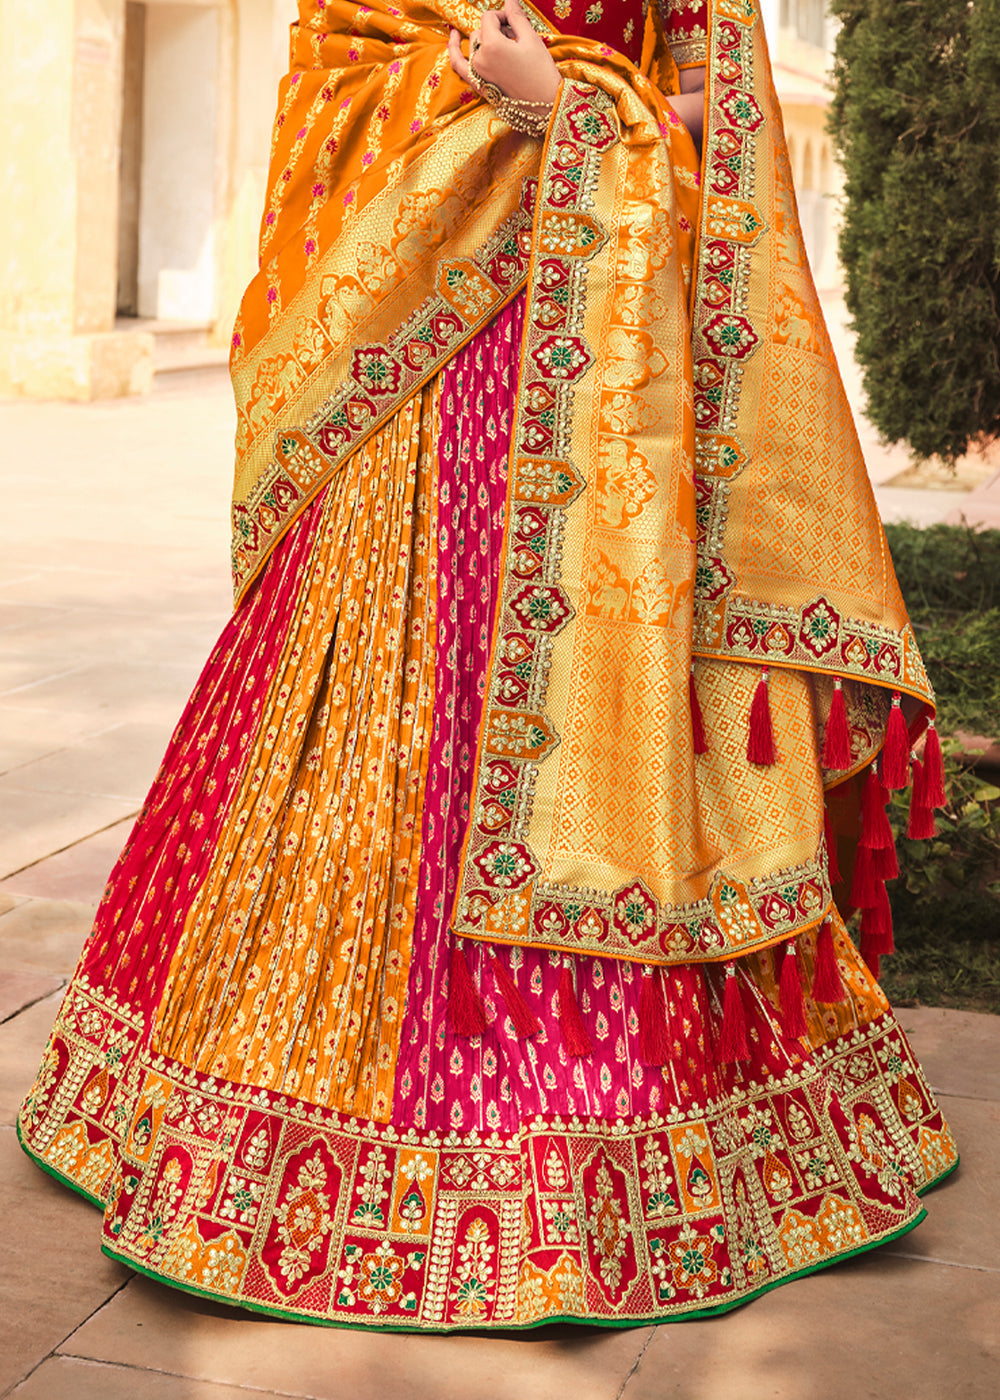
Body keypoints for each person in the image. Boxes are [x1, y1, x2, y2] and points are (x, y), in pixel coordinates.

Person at [18, 0, 958, 1330]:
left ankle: (606, 1163)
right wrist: (490, 104)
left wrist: (580, 113)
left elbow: (725, 123)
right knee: (367, 718)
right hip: (415, 365)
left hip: (601, 365)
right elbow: (335, 81)